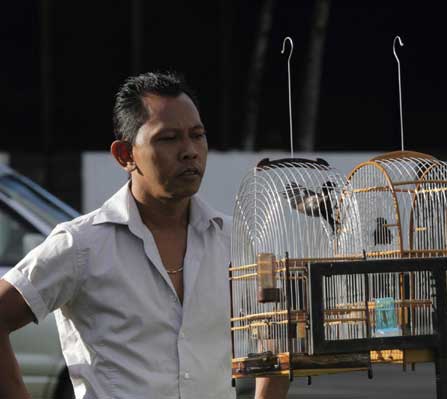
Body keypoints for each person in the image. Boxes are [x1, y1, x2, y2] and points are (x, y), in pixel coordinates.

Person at [0, 72, 289, 399]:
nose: (190, 151)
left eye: (197, 135)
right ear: (125, 155)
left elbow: (275, 337)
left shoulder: (233, 241)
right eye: (168, 138)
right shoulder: (81, 245)